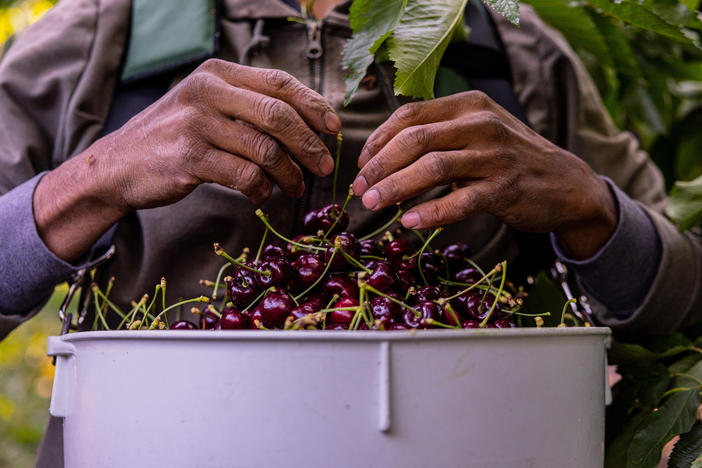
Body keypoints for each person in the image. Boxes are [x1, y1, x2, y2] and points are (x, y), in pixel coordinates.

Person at [0, 0, 700, 462]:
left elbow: (686, 299)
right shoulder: (100, 36)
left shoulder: (513, 52)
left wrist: (591, 208)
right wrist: (91, 178)